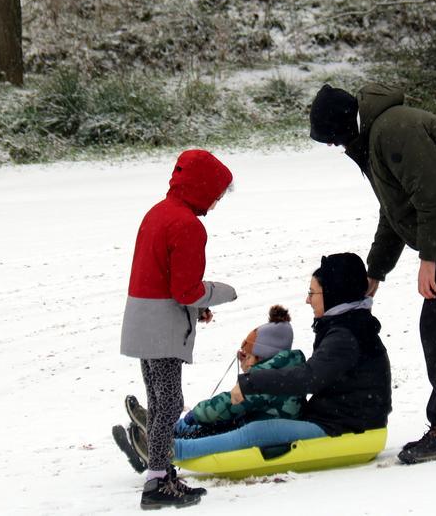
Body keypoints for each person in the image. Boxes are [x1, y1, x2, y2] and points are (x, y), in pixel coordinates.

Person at [308, 83, 436, 465]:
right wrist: (377, 269)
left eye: (332, 140)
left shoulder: (392, 130)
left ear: (342, 125)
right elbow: (395, 210)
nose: (335, 147)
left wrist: (429, 257)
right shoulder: (376, 135)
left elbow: (433, 196)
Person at [132, 253, 391, 464]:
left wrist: (251, 382)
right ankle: (172, 433)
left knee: (261, 431)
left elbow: (309, 378)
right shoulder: (344, 324)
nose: (307, 299)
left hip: (348, 424)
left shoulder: (346, 334)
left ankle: (169, 451)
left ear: (334, 293)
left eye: (313, 293)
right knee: (249, 416)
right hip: (333, 415)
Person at [116, 149, 238, 510]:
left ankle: (161, 473)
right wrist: (219, 294)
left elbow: (162, 276)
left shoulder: (157, 213)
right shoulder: (187, 225)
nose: (215, 204)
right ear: (201, 188)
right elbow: (186, 289)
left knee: (158, 401)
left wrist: (194, 307)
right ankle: (156, 482)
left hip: (141, 319)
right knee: (169, 404)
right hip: (162, 328)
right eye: (216, 196)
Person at [120, 305, 305, 450]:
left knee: (210, 430)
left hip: (260, 431)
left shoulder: (269, 377)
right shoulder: (280, 369)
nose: (242, 361)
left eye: (246, 356)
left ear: (263, 357)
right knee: (215, 424)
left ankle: (162, 446)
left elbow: (229, 403)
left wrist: (197, 414)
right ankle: (164, 430)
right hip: (252, 419)